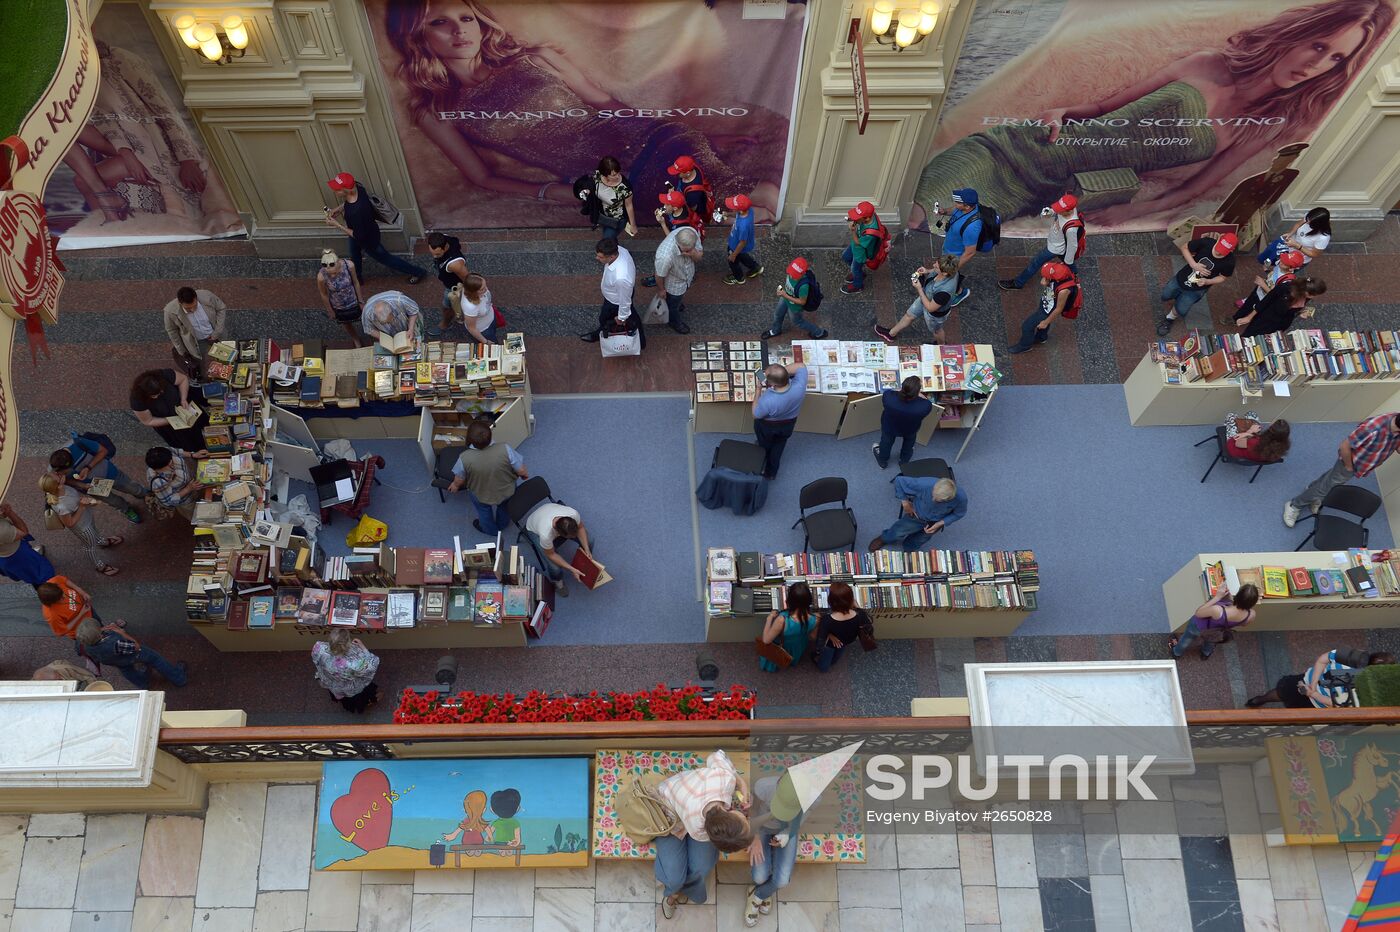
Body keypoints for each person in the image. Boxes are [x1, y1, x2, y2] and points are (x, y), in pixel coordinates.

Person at [909, 1, 1397, 231]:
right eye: (1319, 44)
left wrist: (1135, 210)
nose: (1318, 63)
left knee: (958, 231)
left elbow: (1194, 188)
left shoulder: (1270, 124)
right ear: (1297, 33)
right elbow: (1101, 109)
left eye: (1336, 59)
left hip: (1062, 188)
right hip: (1015, 149)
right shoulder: (1205, 63)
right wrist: (1062, 109)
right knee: (922, 213)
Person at [385, 1, 784, 217]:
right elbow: (482, 177)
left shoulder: (535, 57)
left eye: (466, 17)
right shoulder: (433, 110)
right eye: (440, 22)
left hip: (652, 138)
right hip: (605, 181)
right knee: (724, 208)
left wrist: (702, 134)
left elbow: (607, 105)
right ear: (417, 35)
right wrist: (555, 192)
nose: (460, 31)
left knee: (736, 202)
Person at [652, 749, 752, 918]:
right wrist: (739, 781)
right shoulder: (698, 828)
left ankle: (676, 888)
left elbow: (716, 755)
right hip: (667, 813)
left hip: (689, 810)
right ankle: (674, 891)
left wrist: (739, 781)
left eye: (745, 820)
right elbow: (694, 831)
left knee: (702, 865)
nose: (747, 817)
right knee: (677, 877)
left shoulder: (724, 779)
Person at [1284, 412, 1400, 527]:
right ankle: (1294, 505)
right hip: (1349, 464)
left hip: (1360, 465)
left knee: (1330, 479)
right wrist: (1349, 466)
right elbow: (1344, 446)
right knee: (1326, 488)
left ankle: (1312, 490)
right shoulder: (1373, 429)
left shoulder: (1396, 423)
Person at [325, 172, 427, 283]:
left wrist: (337, 225)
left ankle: (418, 272)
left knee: (387, 259)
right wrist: (339, 209)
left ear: (346, 190)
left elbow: (358, 235)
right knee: (354, 254)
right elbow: (348, 203)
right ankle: (357, 278)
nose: (334, 191)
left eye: (337, 189)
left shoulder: (356, 212)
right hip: (364, 231)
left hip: (367, 240)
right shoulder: (358, 188)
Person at [745, 769, 805, 926]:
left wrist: (786, 835)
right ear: (780, 781)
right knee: (759, 877)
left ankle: (758, 895)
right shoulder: (764, 786)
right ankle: (765, 890)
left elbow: (800, 820)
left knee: (783, 880)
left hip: (787, 828)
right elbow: (753, 811)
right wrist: (756, 837)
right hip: (763, 828)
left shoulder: (813, 798)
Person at [447, 419, 528, 535]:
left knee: (484, 511)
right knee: (504, 507)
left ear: (470, 439)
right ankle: (502, 524)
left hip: (480, 493)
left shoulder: (464, 458)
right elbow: (521, 470)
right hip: (506, 490)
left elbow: (460, 478)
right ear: (490, 436)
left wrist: (455, 485)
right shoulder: (505, 448)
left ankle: (490, 530)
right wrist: (524, 475)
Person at [48, 432, 145, 523]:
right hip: (93, 486)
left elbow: (103, 451)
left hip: (108, 472)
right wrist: (81, 485)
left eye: (65, 471)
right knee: (114, 501)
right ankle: (126, 509)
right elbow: (65, 481)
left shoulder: (77, 443)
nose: (62, 474)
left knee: (131, 487)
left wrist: (88, 467)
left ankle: (145, 495)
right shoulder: (53, 470)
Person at [1247, 649, 1395, 708]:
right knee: (1292, 711)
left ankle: (1259, 700)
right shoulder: (1367, 687)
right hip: (1315, 704)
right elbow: (1338, 704)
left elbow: (1323, 659)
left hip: (1306, 682)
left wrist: (1312, 683)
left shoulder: (1354, 655)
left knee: (1281, 692)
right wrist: (1313, 692)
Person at [38, 475, 122, 576]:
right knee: (89, 546)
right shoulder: (61, 506)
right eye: (58, 476)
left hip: (86, 518)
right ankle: (100, 566)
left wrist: (86, 501)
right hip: (82, 528)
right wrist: (82, 506)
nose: (61, 474)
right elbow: (69, 523)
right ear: (58, 486)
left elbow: (75, 500)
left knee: (94, 531)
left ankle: (101, 541)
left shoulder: (63, 488)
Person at [1157, 233, 1238, 336]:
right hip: (1181, 278)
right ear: (1218, 240)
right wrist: (1194, 265)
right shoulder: (1206, 243)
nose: (1218, 252)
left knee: (1181, 308)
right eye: (1218, 248)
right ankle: (1175, 297)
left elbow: (1223, 277)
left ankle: (1169, 318)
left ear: (1231, 250)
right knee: (1166, 294)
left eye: (1222, 252)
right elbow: (1185, 247)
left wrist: (1208, 281)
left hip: (1197, 289)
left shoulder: (1230, 261)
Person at [999, 194, 1084, 290]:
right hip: (1057, 244)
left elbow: (1072, 246)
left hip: (1055, 248)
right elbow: (1056, 212)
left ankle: (1018, 283)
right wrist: (1049, 213)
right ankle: (1074, 275)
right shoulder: (1068, 209)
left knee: (1035, 263)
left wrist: (1068, 261)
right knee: (1068, 262)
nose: (1058, 210)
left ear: (1068, 210)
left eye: (1061, 209)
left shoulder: (1071, 229)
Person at [75, 618, 188, 690]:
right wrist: (122, 632)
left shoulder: (85, 644)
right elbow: (136, 646)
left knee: (128, 671)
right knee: (156, 659)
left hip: (116, 661)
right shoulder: (115, 643)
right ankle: (179, 678)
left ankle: (144, 684)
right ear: (99, 634)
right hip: (134, 655)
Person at [875, 256, 963, 345]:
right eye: (936, 263)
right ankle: (891, 333)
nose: (933, 265)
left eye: (936, 267)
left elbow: (930, 308)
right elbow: (938, 269)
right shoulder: (952, 270)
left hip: (934, 314)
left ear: (944, 273)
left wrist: (919, 289)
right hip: (925, 296)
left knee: (936, 330)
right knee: (909, 314)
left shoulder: (944, 292)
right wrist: (928, 271)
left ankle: (941, 345)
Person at [869, 476, 968, 552]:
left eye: (938, 500)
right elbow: (899, 480)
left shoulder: (961, 498)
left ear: (949, 498)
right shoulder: (926, 484)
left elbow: (959, 513)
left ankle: (908, 549)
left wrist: (941, 523)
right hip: (917, 515)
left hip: (936, 521)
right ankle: (885, 538)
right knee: (898, 531)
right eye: (933, 495)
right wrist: (905, 502)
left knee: (921, 539)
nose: (933, 499)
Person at [1170, 583, 1259, 660]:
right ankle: (1205, 653)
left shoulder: (1217, 610)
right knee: (1210, 642)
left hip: (1198, 627)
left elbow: (1198, 613)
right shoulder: (1251, 615)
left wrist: (1217, 597)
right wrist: (1230, 600)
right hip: (1217, 633)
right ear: (1253, 603)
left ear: (1238, 595)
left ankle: (1177, 652)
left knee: (1186, 639)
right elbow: (1243, 624)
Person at [752, 362, 808, 480]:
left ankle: (762, 459)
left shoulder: (768, 399)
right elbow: (801, 366)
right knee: (779, 445)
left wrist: (758, 390)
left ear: (771, 383)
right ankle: (771, 473)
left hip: (768, 427)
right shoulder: (800, 386)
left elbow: (756, 414)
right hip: (788, 425)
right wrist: (780, 374)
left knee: (765, 445)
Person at [130, 368, 209, 453]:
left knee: (205, 427)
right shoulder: (137, 400)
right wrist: (171, 420)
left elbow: (183, 380)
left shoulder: (164, 375)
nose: (159, 395)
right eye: (155, 395)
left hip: (186, 410)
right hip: (173, 426)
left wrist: (183, 399)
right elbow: (148, 421)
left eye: (161, 391)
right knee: (192, 444)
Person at [1008, 261, 1079, 355]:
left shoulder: (1064, 291)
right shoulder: (1062, 273)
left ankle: (1025, 345)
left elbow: (1058, 309)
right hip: (1047, 302)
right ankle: (1041, 337)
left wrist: (1046, 322)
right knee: (1040, 324)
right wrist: (1046, 280)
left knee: (1027, 326)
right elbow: (1048, 283)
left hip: (1048, 310)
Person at [524, 503, 593, 597]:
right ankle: (557, 582)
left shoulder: (573, 514)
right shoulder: (546, 534)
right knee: (555, 568)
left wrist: (587, 549)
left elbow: (580, 528)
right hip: (533, 529)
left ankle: (584, 560)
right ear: (558, 534)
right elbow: (551, 554)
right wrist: (571, 569)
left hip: (547, 509)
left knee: (590, 541)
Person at [162, 286, 228, 380]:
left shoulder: (207, 296)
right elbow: (172, 331)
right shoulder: (170, 311)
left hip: (216, 335)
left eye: (195, 306)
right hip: (195, 342)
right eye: (188, 309)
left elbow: (221, 308)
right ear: (180, 303)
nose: (192, 310)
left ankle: (226, 373)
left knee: (225, 356)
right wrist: (182, 351)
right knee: (202, 364)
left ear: (196, 298)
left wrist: (217, 331)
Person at [311, 628, 381, 713]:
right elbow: (372, 663)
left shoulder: (318, 648)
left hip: (330, 682)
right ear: (347, 644)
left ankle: (340, 698)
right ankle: (368, 702)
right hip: (349, 688)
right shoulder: (352, 665)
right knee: (358, 697)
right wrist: (363, 647)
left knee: (341, 696)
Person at [582, 237, 637, 344]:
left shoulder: (621, 278)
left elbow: (625, 300)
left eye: (600, 257)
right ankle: (640, 339)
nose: (596, 258)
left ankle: (599, 334)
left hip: (615, 301)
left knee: (604, 319)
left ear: (612, 256)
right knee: (632, 316)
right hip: (618, 293)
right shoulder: (620, 250)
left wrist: (622, 317)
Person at [873, 377, 935, 469]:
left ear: (902, 388)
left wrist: (900, 390)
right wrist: (920, 395)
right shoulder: (924, 406)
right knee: (909, 443)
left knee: (886, 442)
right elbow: (926, 401)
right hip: (910, 428)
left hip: (890, 426)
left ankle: (882, 461)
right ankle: (904, 461)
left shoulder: (889, 398)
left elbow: (890, 391)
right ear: (917, 392)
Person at [1236, 277, 1326, 338]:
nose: (1313, 297)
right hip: (1264, 319)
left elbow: (1291, 311)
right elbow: (1265, 301)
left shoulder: (1305, 296)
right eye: (1313, 295)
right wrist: (1249, 317)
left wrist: (1299, 312)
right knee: (1248, 337)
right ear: (1306, 292)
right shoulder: (1284, 288)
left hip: (1279, 325)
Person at [762, 258, 828, 341]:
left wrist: (785, 295)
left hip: (795, 307)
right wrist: (784, 294)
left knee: (798, 322)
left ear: (802, 273)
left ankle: (818, 332)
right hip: (785, 298)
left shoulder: (804, 286)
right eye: (791, 272)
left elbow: (802, 302)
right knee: (778, 314)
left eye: (795, 274)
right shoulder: (791, 273)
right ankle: (775, 331)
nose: (791, 275)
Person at [812, 582, 873, 672]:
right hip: (847, 641)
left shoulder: (828, 619)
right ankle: (833, 661)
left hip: (830, 644)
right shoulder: (860, 614)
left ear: (831, 601)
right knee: (838, 654)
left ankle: (823, 667)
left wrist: (819, 649)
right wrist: (858, 608)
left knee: (824, 665)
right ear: (851, 600)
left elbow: (821, 638)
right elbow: (867, 627)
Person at [653, 225, 702, 335]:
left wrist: (693, 253)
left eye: (692, 247)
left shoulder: (692, 233)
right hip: (674, 283)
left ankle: (677, 304)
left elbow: (699, 256)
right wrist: (661, 290)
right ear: (679, 245)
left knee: (676, 300)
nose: (691, 251)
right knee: (673, 305)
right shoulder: (665, 257)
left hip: (686, 276)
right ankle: (674, 322)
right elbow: (659, 275)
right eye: (687, 250)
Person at [758, 581, 815, 672]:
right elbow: (812, 635)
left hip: (783, 645)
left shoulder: (782, 620)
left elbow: (766, 640)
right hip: (798, 645)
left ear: (789, 601)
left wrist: (769, 618)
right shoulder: (815, 618)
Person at [315, 249, 368, 346]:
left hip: (353, 299)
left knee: (364, 316)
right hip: (338, 304)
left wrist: (361, 301)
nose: (333, 275)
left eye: (335, 273)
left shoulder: (349, 265)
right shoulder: (321, 276)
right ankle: (355, 339)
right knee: (346, 322)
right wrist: (330, 310)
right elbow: (323, 294)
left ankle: (369, 332)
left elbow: (356, 282)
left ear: (338, 262)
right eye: (330, 274)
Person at [931, 188, 984, 281]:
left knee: (948, 278)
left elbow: (970, 253)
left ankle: (958, 291)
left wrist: (952, 269)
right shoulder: (966, 207)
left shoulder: (972, 228)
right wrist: (945, 211)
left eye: (958, 203)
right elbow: (954, 209)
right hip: (949, 245)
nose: (955, 204)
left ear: (967, 206)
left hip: (954, 255)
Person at [145, 446, 208, 522]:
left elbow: (177, 452)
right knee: (197, 516)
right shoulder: (158, 482)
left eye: (172, 461)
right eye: (169, 465)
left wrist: (193, 455)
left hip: (192, 484)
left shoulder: (164, 453)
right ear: (158, 469)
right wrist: (188, 489)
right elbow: (169, 501)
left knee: (204, 498)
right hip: (186, 500)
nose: (173, 465)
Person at [0, 505, 56, 588]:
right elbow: (23, 532)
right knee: (37, 574)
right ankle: (48, 589)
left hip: (5, 555)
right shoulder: (2, 530)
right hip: (16, 555)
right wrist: (9, 512)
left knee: (24, 572)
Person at [1235, 248, 1305, 314]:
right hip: (1260, 289)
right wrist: (1266, 269)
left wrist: (1263, 284)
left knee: (1251, 309)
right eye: (1283, 259)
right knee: (1251, 300)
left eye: (1284, 263)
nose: (1281, 261)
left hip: (1263, 298)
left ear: (1291, 269)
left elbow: (1275, 296)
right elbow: (1273, 273)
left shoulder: (1287, 282)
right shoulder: (1280, 264)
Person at [427, 230, 470, 335]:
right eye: (432, 253)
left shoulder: (455, 265)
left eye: (437, 254)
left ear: (445, 247)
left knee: (447, 307)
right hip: (449, 280)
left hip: (453, 287)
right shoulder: (443, 238)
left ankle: (444, 324)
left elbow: (467, 278)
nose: (435, 257)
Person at [1260, 206, 1333, 267]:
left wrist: (1297, 246)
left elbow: (1314, 254)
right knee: (1272, 252)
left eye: (1310, 223)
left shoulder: (1323, 237)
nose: (1307, 222)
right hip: (1290, 245)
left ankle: (1271, 274)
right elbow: (1298, 224)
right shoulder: (1310, 217)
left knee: (1282, 268)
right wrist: (1290, 233)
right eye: (1307, 219)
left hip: (1298, 256)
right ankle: (1266, 264)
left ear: (1318, 225)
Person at [586, 156, 637, 241]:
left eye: (618, 173)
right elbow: (591, 185)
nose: (617, 176)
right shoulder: (598, 176)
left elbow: (629, 205)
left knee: (607, 240)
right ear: (604, 175)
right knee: (611, 240)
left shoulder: (624, 187)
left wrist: (633, 225)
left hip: (617, 220)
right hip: (603, 216)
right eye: (613, 175)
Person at [841, 201, 881, 295]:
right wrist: (855, 219)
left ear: (866, 218)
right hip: (855, 247)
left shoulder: (870, 233)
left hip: (861, 253)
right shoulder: (869, 216)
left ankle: (858, 285)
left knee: (855, 268)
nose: (855, 219)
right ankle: (859, 273)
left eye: (857, 218)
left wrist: (853, 231)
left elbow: (858, 242)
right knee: (846, 257)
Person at [722, 194, 762, 285]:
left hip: (735, 245)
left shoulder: (743, 226)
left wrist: (734, 254)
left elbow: (742, 242)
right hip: (741, 244)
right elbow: (737, 213)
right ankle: (755, 267)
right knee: (742, 255)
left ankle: (738, 277)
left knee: (733, 261)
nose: (732, 208)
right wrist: (728, 214)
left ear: (740, 210)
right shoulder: (748, 210)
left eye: (734, 207)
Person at [668, 154, 714, 227]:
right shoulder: (693, 166)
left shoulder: (693, 194)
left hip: (698, 207)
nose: (676, 174)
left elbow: (691, 209)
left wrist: (674, 197)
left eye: (678, 172)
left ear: (688, 173)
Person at [455, 273, 501, 345]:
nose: (486, 289)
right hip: (484, 330)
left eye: (485, 285)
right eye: (482, 289)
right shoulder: (470, 307)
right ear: (473, 292)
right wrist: (485, 341)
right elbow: (471, 328)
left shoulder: (472, 288)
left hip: (490, 319)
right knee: (493, 346)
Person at [1224, 416, 1292, 463]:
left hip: (1234, 447)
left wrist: (1249, 431)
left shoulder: (1255, 443)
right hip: (1256, 455)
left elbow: (1237, 442)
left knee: (1230, 416)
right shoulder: (1284, 446)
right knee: (1251, 414)